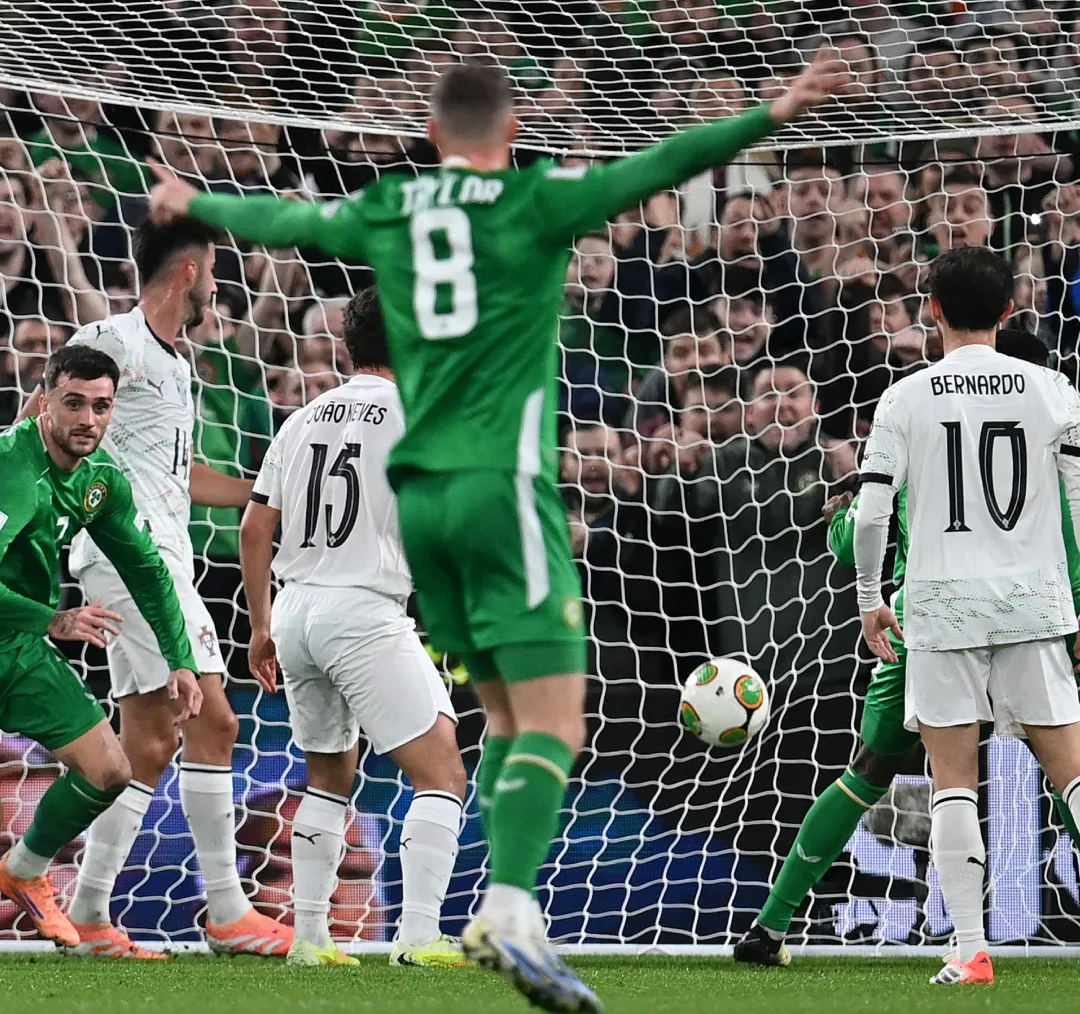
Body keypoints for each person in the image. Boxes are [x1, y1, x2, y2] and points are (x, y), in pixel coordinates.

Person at [150, 52, 846, 1012]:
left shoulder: (393, 208)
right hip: (499, 492)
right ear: (511, 134)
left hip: (420, 514)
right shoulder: (532, 204)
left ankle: (458, 914)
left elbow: (295, 220)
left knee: (508, 724)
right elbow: (659, 165)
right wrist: (774, 110)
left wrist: (196, 203)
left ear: (431, 136)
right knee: (560, 722)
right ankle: (507, 908)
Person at [733, 326, 1080, 971]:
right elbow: (1071, 553)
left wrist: (842, 517)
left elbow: (852, 540)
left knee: (872, 771)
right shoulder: (1048, 450)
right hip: (1027, 621)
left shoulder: (921, 416)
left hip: (931, 620)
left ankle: (773, 925)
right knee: (1069, 774)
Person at [853, 246, 1080, 987]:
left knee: (951, 780)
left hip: (942, 606)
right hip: (1035, 604)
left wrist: (871, 598)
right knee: (1073, 767)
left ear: (931, 310)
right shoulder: (1052, 390)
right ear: (1010, 312)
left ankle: (972, 948)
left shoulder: (905, 398)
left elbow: (874, 510)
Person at [0, 346, 203, 964]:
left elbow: (147, 570)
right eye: (73, 403)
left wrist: (179, 659)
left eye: (101, 406)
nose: (87, 418)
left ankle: (24, 870)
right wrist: (53, 619)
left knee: (110, 770)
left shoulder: (97, 478)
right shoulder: (9, 470)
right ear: (43, 402)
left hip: (15, 648)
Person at [59, 221, 286, 959]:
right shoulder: (111, 342)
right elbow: (43, 432)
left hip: (164, 555)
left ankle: (86, 912)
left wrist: (268, 493)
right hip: (132, 558)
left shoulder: (179, 368)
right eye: (217, 272)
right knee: (214, 720)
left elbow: (182, 478)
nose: (220, 288)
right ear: (189, 273)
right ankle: (227, 910)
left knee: (150, 744)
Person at [239, 288, 468, 968]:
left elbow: (255, 527)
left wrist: (259, 629)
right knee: (443, 774)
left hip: (294, 612)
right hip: (362, 609)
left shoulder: (302, 416)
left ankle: (310, 940)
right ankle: (419, 937)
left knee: (328, 779)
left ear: (349, 346)